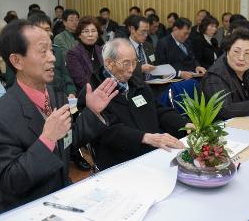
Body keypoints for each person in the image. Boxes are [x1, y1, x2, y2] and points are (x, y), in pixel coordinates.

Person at [0, 19, 118, 212]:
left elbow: (69, 140)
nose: (52, 58)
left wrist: (93, 112)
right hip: (27, 208)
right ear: (17, 61)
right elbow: (11, 182)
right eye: (42, 51)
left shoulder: (56, 95)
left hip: (62, 196)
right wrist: (47, 139)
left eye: (51, 50)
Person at [77, 38, 189, 170]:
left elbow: (158, 110)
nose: (131, 69)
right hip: (120, 163)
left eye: (134, 62)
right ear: (109, 63)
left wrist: (183, 124)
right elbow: (107, 131)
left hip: (153, 154)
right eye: (126, 63)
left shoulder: (137, 84)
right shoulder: (93, 92)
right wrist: (144, 137)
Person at [201, 28, 249, 120]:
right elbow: (223, 110)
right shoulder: (215, 75)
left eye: (247, 53)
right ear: (228, 52)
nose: (241, 58)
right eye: (236, 51)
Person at [28, 13, 77, 97]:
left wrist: (71, 92)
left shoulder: (57, 51)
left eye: (47, 29)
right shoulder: (27, 54)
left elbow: (66, 76)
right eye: (40, 30)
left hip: (61, 95)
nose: (44, 33)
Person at [66, 16, 104, 93]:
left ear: (98, 34)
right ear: (79, 35)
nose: (90, 34)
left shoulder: (102, 50)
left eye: (93, 31)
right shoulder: (73, 53)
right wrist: (101, 91)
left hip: (105, 92)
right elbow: (81, 80)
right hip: (85, 95)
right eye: (86, 31)